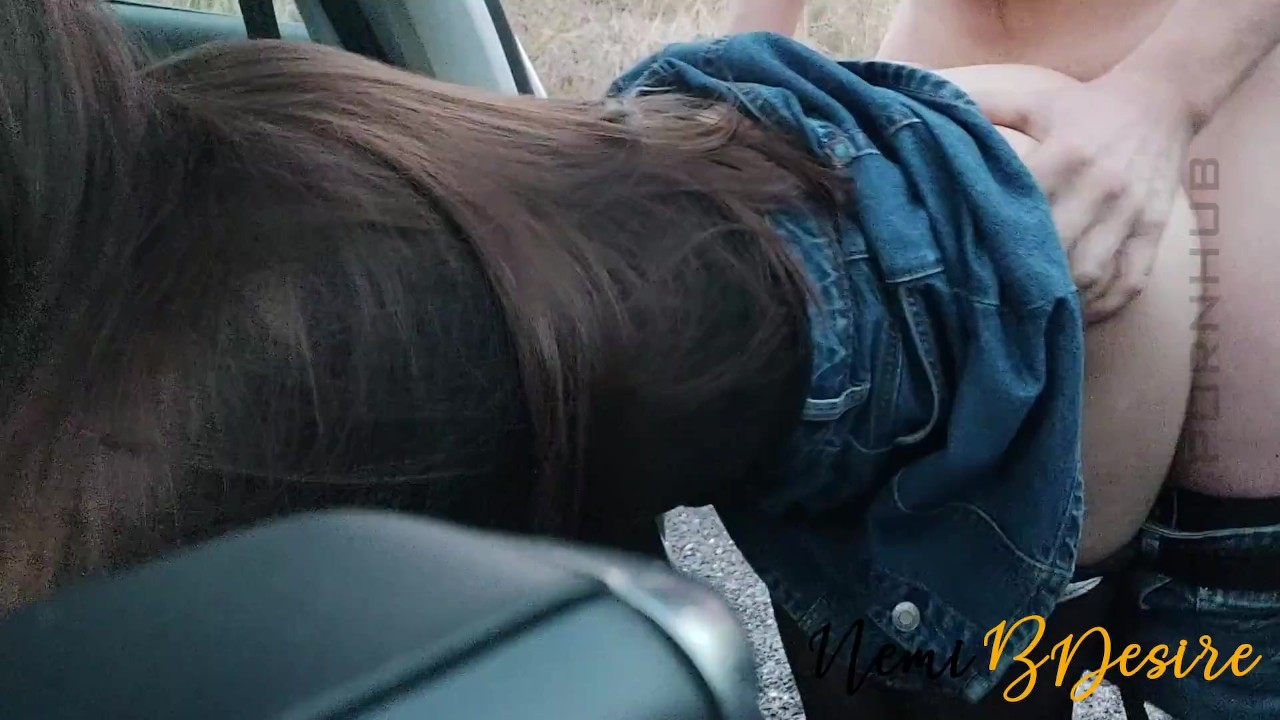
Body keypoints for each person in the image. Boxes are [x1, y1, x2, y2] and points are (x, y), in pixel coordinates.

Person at [0, 1, 1197, 717]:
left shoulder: (146, 430)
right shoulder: (209, 136)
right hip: (854, 159)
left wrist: (1160, 100)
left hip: (1004, 285)